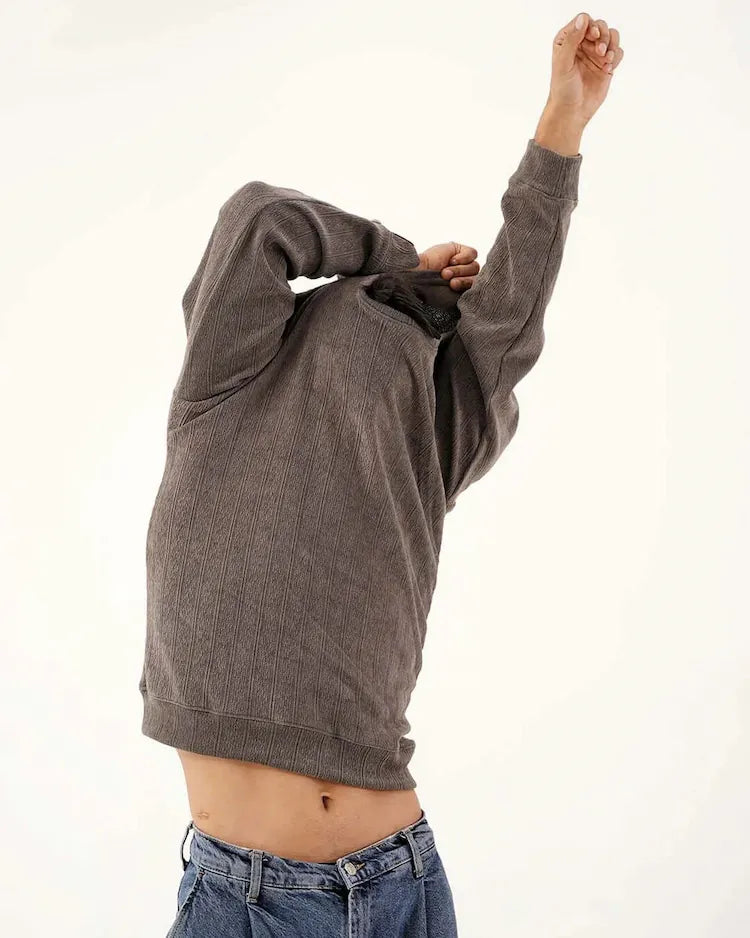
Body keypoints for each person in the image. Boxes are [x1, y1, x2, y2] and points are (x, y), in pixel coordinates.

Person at [139, 11, 623, 937]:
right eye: (402, 311)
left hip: (394, 881)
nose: (434, 315)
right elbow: (258, 222)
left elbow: (509, 324)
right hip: (230, 897)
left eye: (440, 318)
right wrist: (394, 259)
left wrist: (561, 126)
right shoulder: (223, 387)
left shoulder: (427, 454)